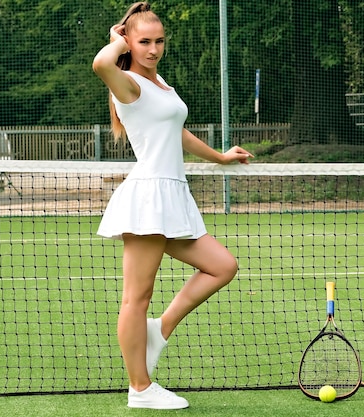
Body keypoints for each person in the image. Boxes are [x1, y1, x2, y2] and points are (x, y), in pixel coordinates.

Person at [92, 2, 253, 410]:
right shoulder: (126, 82)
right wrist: (115, 41)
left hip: (173, 197)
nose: (153, 49)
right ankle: (141, 389)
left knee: (223, 266)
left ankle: (159, 329)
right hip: (147, 197)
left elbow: (176, 130)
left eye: (159, 41)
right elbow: (99, 64)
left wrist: (219, 157)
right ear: (128, 40)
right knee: (136, 296)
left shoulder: (159, 82)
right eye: (144, 41)